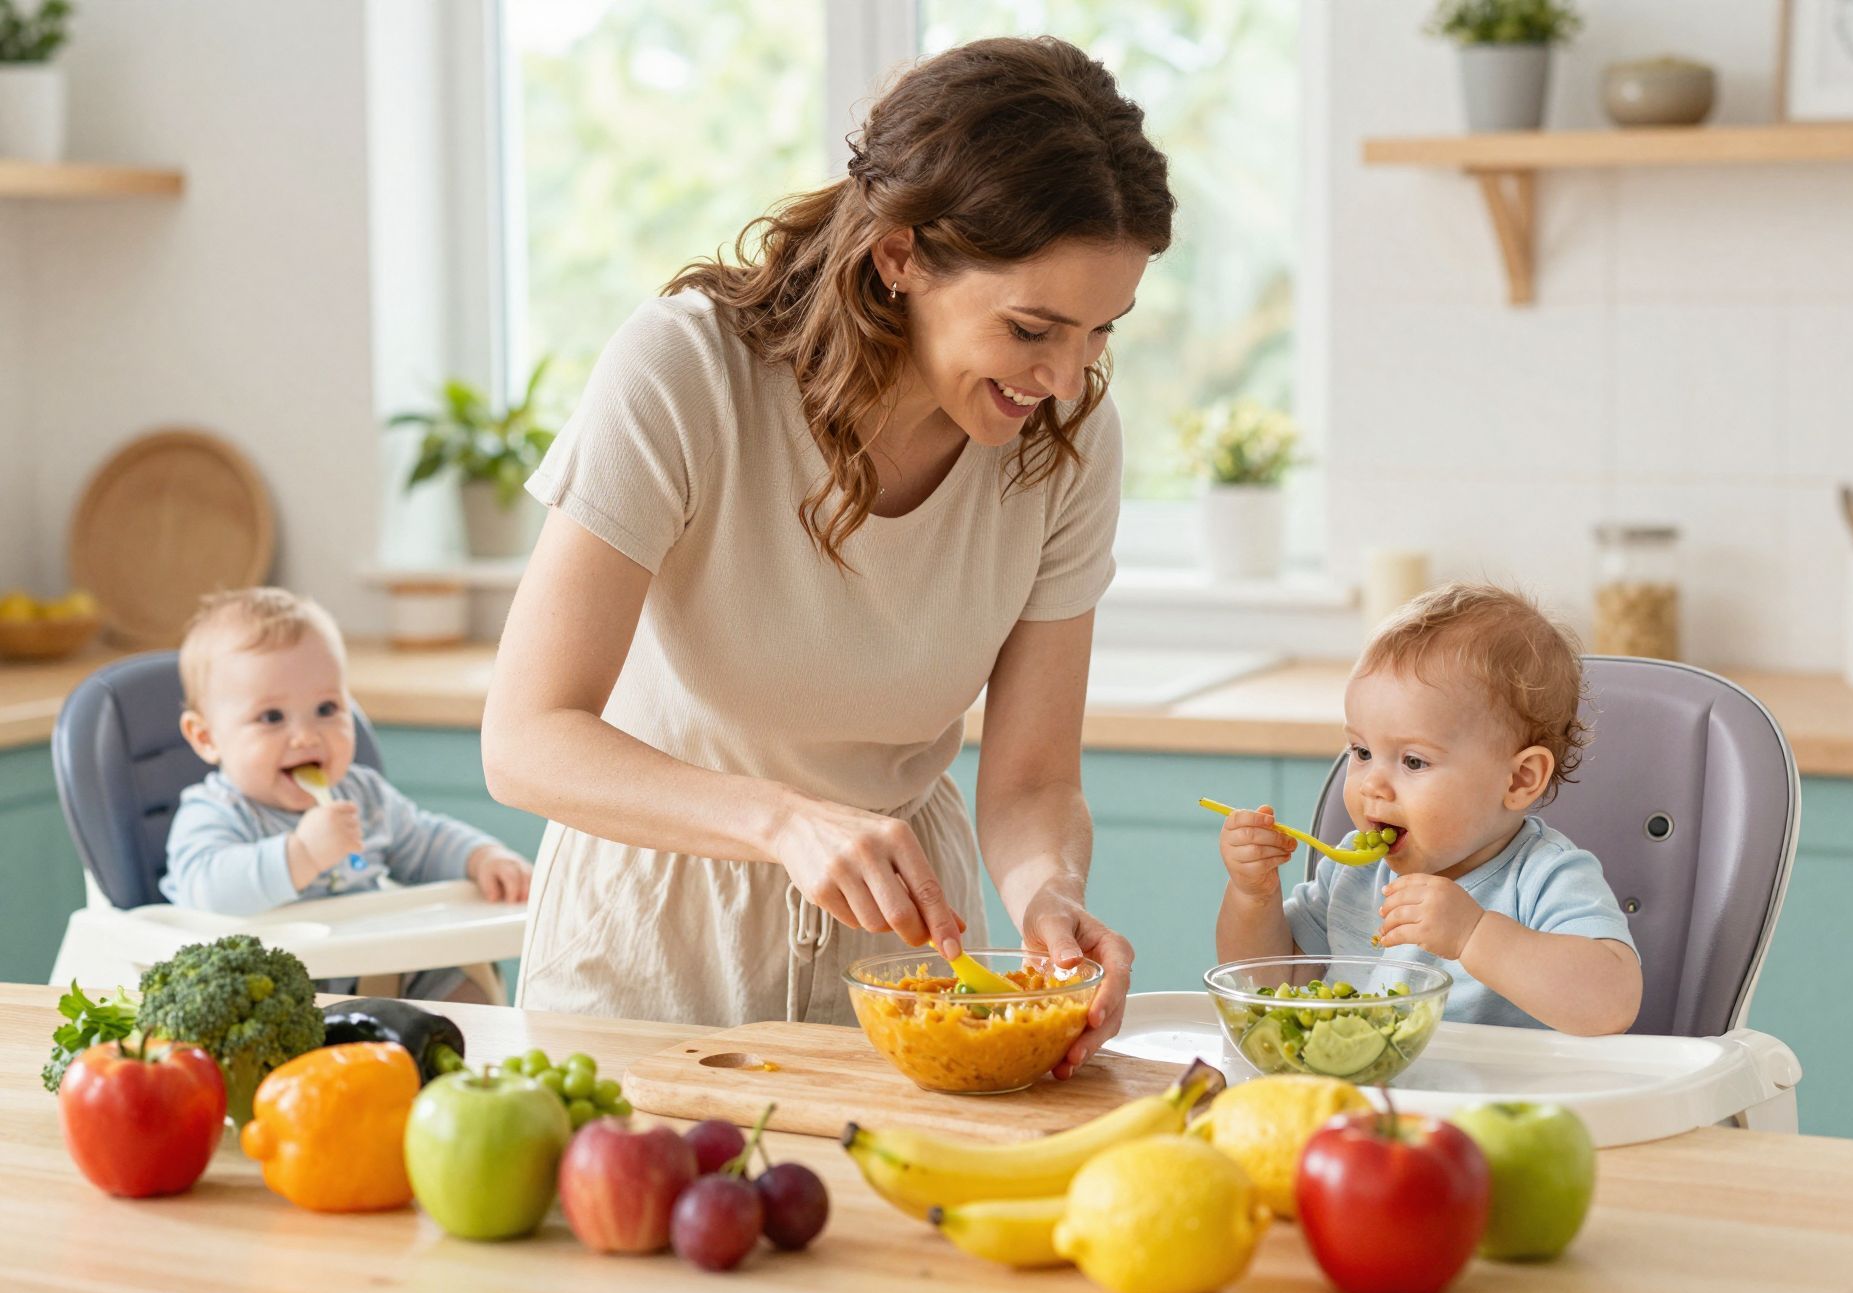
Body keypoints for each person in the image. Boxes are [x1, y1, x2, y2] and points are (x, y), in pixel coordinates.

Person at [482, 37, 1173, 1071]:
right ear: (899, 255)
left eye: (1099, 334)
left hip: (900, 949)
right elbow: (526, 738)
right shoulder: (688, 372)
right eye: (1033, 328)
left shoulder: (1063, 444)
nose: (1067, 380)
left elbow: (1030, 781)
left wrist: (1048, 901)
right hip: (649, 945)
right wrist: (783, 823)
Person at [1215, 584, 1643, 1036]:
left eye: (1413, 761)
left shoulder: (1544, 878)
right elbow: (1268, 982)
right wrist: (1253, 897)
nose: (1372, 784)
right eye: (1360, 752)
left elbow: (1611, 1004)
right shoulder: (1354, 876)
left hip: (1499, 1099)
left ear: (1519, 779)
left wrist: (1473, 934)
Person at [162, 587, 532, 1002]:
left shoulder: (361, 795)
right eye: (271, 717)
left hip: (379, 976)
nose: (306, 737)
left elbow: (424, 840)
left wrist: (480, 858)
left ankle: (471, 1062)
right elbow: (206, 891)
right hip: (276, 994)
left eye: (326, 709)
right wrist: (302, 853)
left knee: (464, 983)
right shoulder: (215, 812)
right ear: (206, 737)